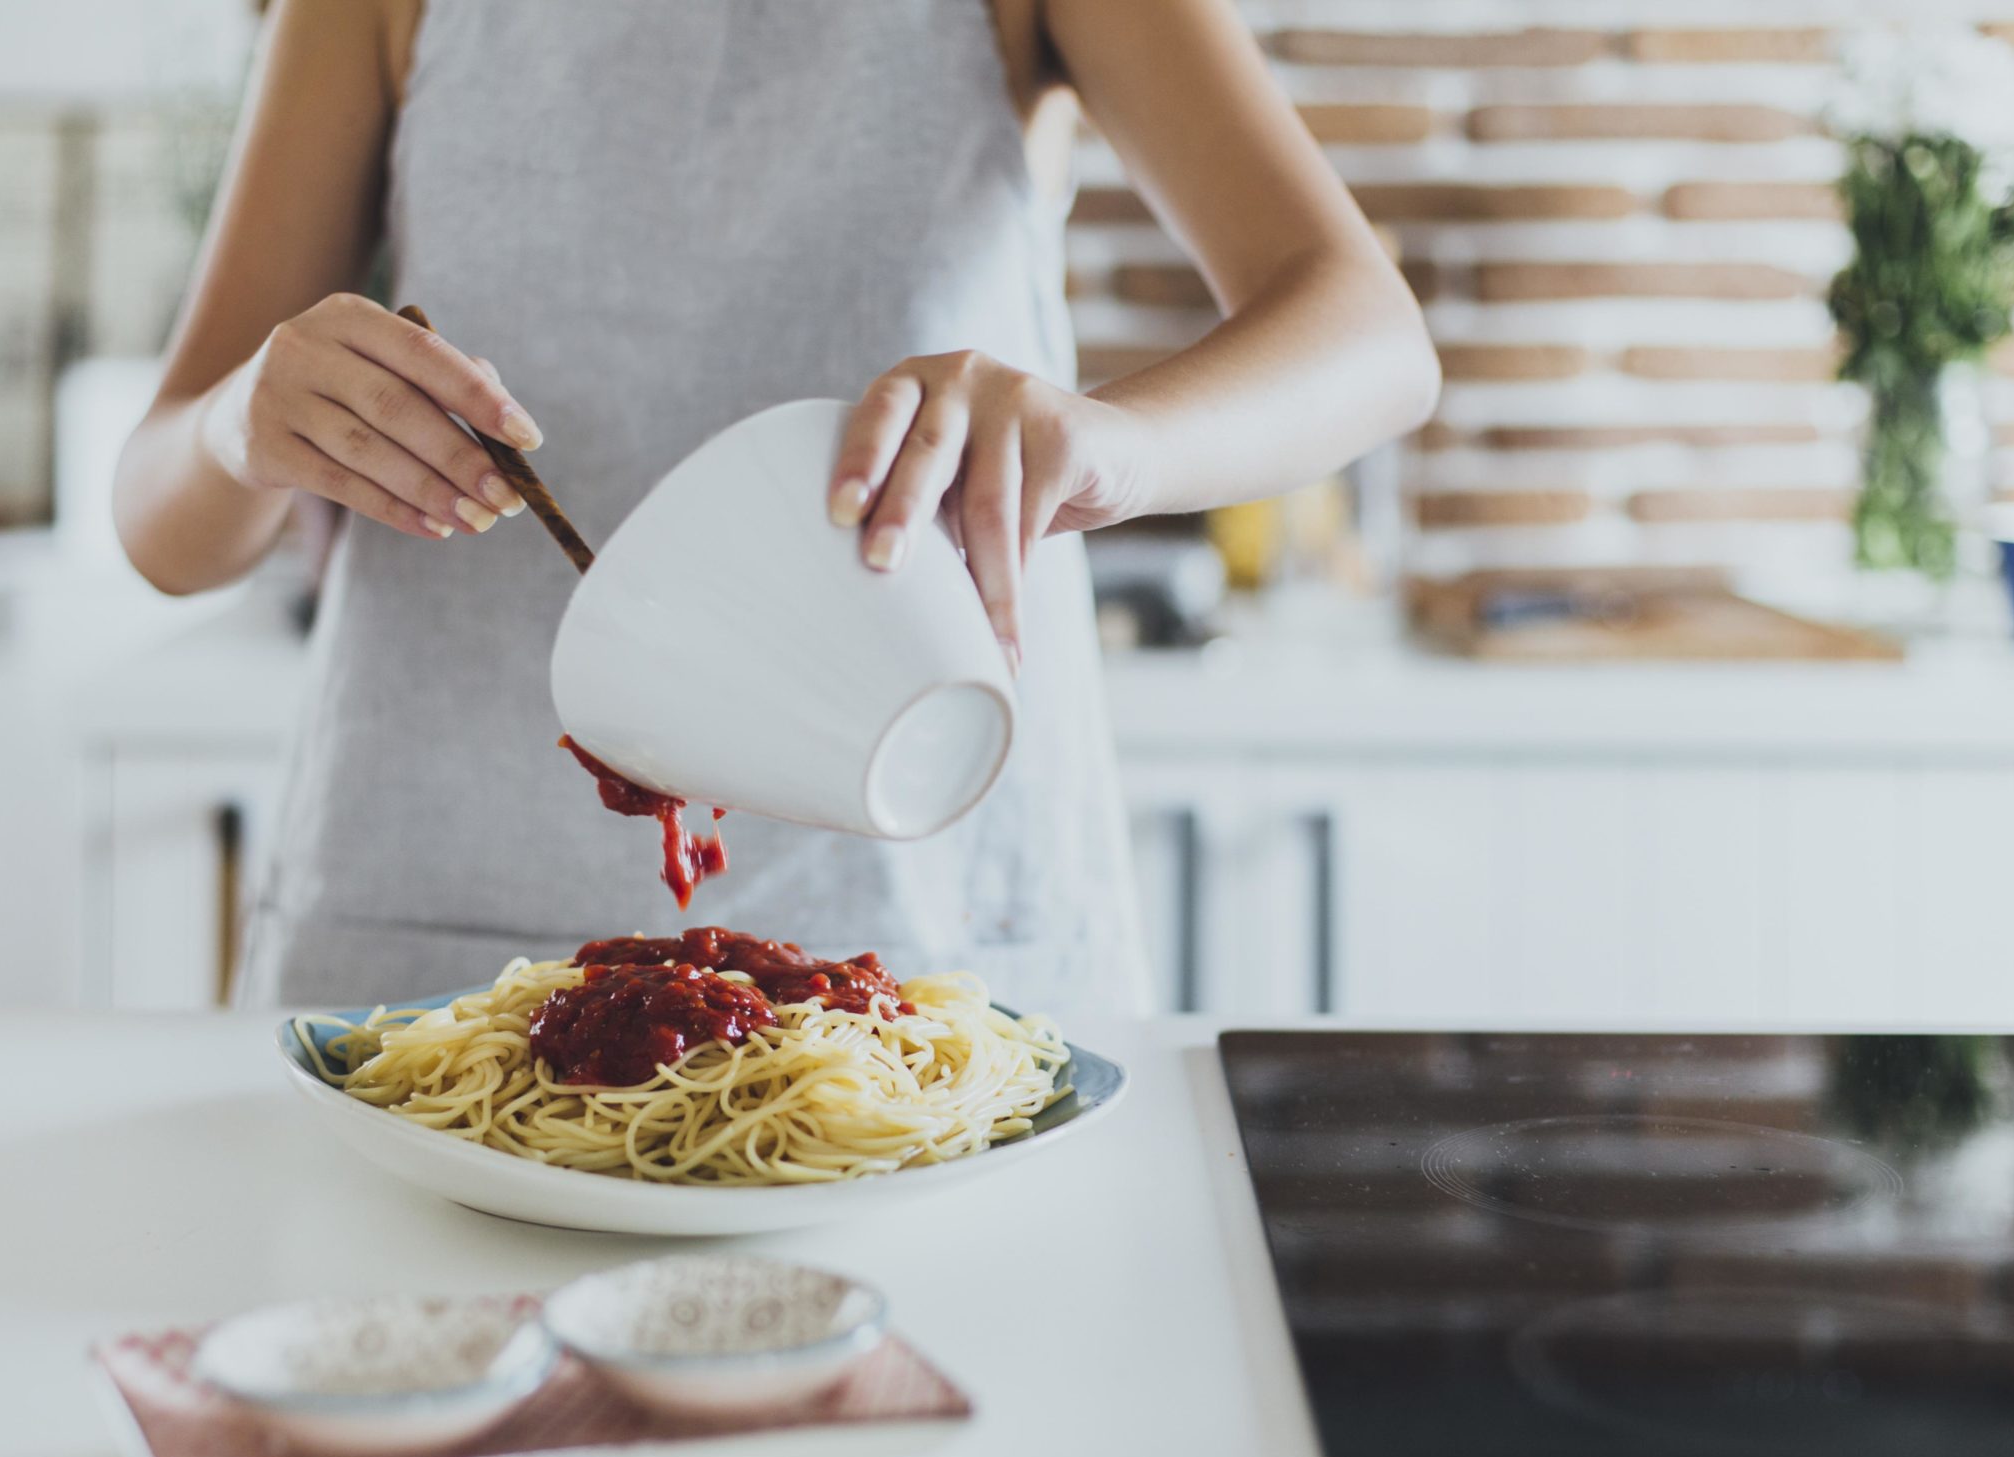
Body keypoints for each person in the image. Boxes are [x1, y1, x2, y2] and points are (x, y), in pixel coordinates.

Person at [113, 0, 1438, 1013]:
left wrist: (1113, 442)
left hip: (918, 922)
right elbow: (163, 522)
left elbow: (1371, 335)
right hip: (437, 927)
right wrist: (242, 426)